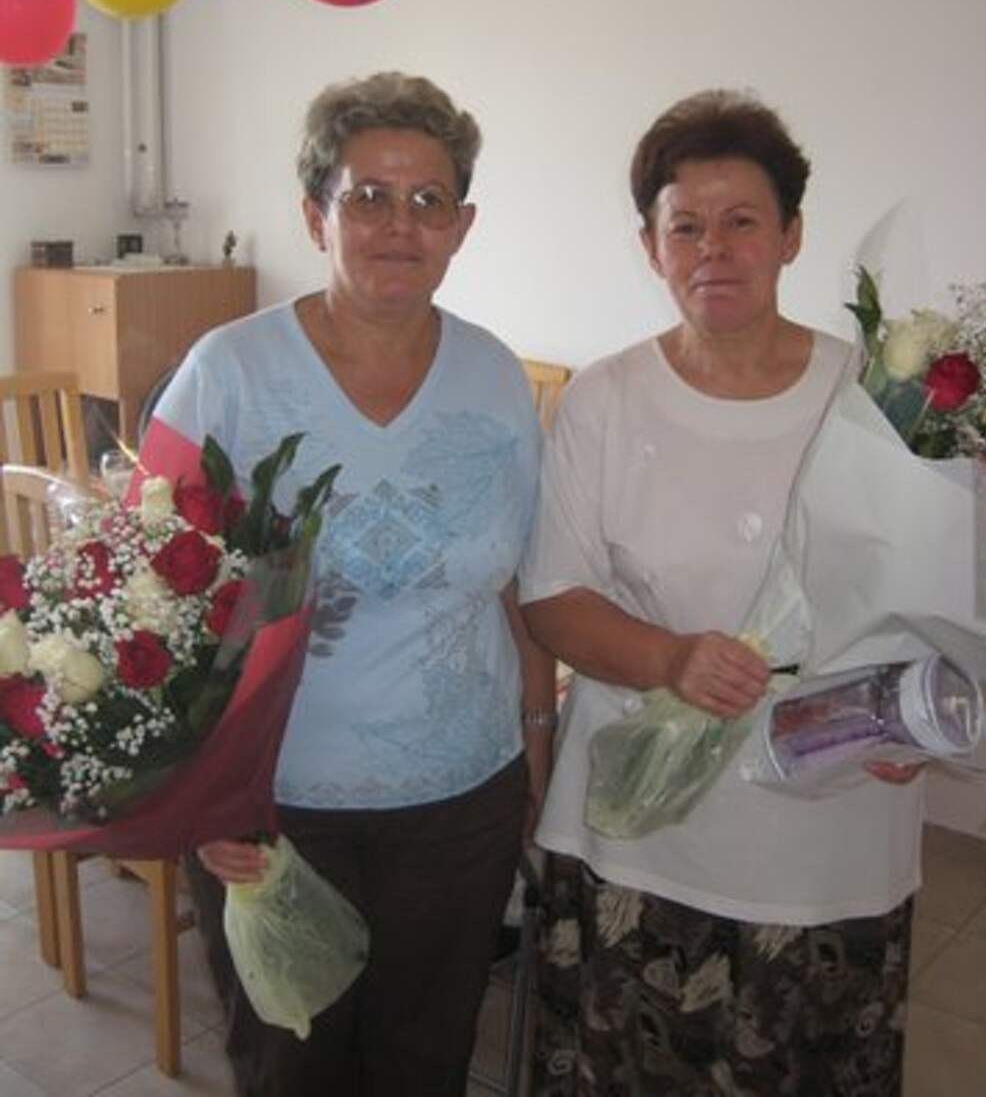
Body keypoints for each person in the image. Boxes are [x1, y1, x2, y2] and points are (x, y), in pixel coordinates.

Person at [146, 72, 554, 1097]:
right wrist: (202, 796)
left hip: (462, 797)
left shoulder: (495, 376)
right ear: (313, 214)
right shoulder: (228, 373)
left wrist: (539, 745)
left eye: (427, 200)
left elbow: (520, 581)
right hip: (272, 804)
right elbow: (150, 610)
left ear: (462, 225)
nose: (398, 225)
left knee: (427, 1060)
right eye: (367, 195)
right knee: (292, 1065)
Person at [520, 90, 923, 1097]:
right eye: (684, 227)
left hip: (828, 835)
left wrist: (921, 711)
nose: (713, 249)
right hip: (645, 831)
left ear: (791, 235)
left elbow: (938, 601)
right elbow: (551, 598)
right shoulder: (604, 400)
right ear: (650, 247)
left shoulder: (876, 399)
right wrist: (669, 658)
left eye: (741, 220)